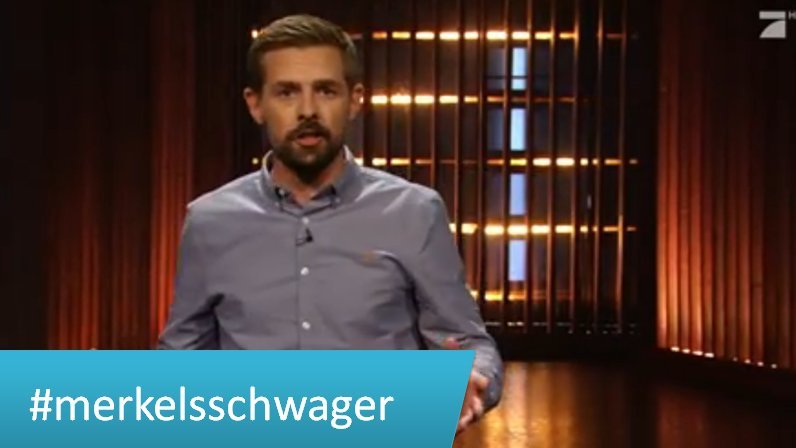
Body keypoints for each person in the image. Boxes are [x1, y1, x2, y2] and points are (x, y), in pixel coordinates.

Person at [157, 14, 503, 433]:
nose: (308, 110)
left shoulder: (414, 211)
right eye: (287, 92)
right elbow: (182, 357)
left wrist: (470, 379)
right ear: (255, 104)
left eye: (325, 90)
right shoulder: (210, 221)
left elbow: (468, 343)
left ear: (354, 100)